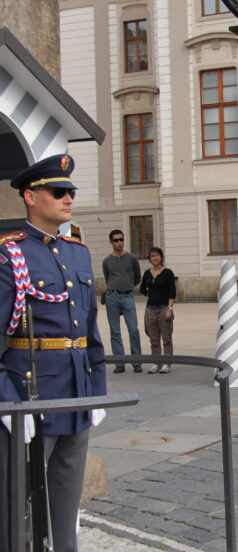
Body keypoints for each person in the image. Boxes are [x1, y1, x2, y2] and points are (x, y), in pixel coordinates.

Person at [0, 154, 106, 551]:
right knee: (20, 506)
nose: (68, 198)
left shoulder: (78, 252)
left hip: (77, 393)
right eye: (58, 191)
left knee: (67, 503)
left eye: (71, 192)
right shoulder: (10, 254)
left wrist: (97, 390)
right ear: (30, 196)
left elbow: (89, 330)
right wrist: (8, 403)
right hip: (32, 396)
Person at [102, 229, 142, 373]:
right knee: (115, 331)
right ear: (110, 242)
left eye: (121, 239)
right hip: (112, 296)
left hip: (127, 296)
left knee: (133, 329)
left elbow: (137, 277)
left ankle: (137, 362)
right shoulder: (107, 261)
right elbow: (108, 278)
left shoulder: (131, 258)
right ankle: (119, 363)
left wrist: (128, 287)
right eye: (116, 240)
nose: (119, 243)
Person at [140, 247, 176, 374]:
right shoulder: (147, 273)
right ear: (149, 259)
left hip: (164, 308)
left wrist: (169, 309)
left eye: (157, 255)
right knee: (153, 339)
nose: (155, 258)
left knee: (166, 338)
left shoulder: (167, 273)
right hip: (150, 308)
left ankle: (167, 362)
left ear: (161, 257)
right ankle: (156, 362)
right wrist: (150, 292)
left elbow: (172, 292)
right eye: (152, 256)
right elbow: (142, 289)